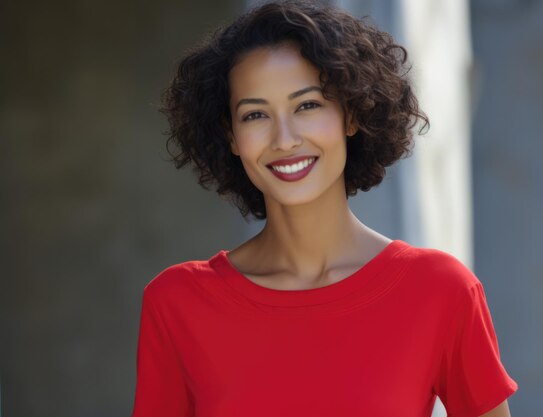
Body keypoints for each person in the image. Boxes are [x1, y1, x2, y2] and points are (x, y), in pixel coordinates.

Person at [130, 1, 518, 416]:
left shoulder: (441, 291)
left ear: (351, 114)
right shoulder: (178, 303)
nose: (284, 139)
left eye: (307, 106)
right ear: (230, 136)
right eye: (255, 114)